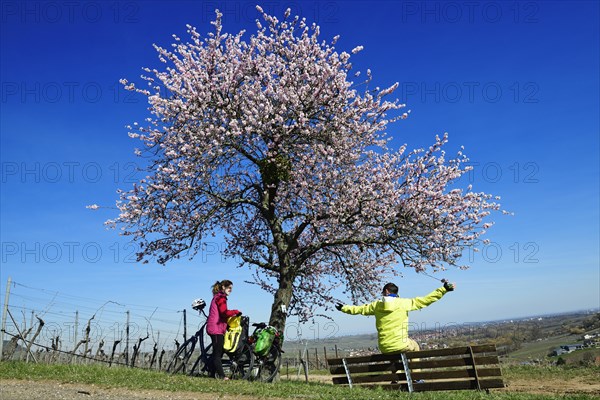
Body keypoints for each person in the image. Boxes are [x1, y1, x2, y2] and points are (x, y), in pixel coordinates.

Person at [335, 280, 455, 354]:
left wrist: (343, 308)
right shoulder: (404, 303)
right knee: (415, 346)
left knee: (394, 354)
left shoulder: (376, 305)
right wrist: (443, 289)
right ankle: (417, 378)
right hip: (401, 344)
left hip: (384, 347)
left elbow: (359, 310)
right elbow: (426, 300)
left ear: (386, 292)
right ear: (395, 293)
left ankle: (395, 379)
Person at [207, 279, 241, 379]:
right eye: (229, 288)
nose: (230, 290)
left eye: (231, 288)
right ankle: (222, 376)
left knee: (218, 351)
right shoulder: (221, 298)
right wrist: (235, 311)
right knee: (218, 353)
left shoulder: (218, 297)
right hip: (215, 328)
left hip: (216, 327)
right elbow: (224, 312)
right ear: (223, 287)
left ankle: (212, 374)